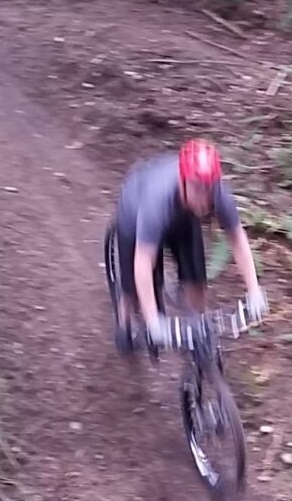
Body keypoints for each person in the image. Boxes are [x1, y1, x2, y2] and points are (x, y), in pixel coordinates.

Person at [106, 138, 268, 353]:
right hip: (135, 210)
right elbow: (143, 262)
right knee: (132, 287)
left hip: (182, 216)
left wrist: (254, 291)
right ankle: (124, 319)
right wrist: (154, 321)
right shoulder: (158, 201)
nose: (204, 197)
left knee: (197, 280)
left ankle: (198, 334)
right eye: (197, 188)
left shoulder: (217, 193)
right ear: (183, 181)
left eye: (209, 188)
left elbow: (237, 239)